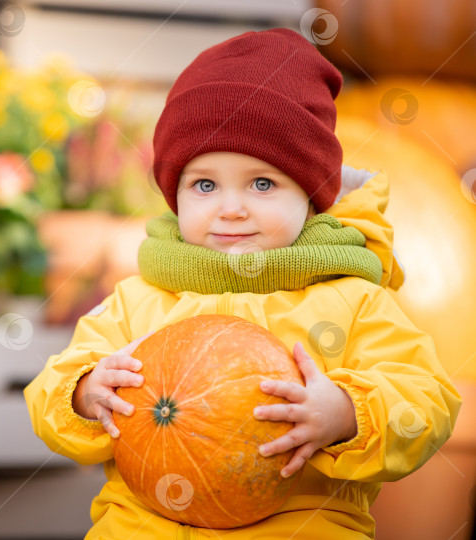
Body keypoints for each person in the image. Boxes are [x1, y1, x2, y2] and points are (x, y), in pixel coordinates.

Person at [24, 28, 461, 539]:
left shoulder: (351, 299)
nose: (231, 207)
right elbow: (50, 387)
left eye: (262, 183)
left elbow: (427, 399)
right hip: (145, 526)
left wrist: (346, 414)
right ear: (175, 195)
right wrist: (83, 393)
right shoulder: (138, 300)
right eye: (205, 184)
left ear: (311, 195)